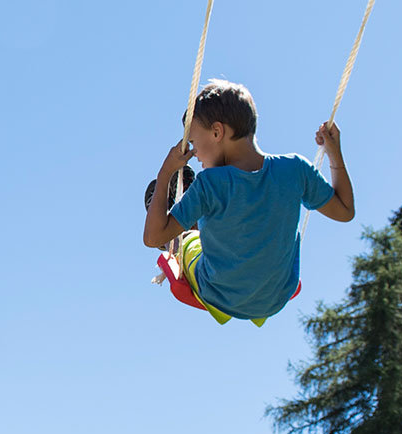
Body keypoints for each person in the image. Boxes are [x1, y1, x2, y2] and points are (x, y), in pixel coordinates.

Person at [142, 79, 355, 325]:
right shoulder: (295, 170)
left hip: (216, 295)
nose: (194, 154)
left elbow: (151, 238)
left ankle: (184, 228)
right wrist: (334, 152)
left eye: (193, 142)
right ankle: (192, 219)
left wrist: (166, 172)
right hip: (273, 297)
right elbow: (345, 210)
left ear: (217, 132)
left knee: (190, 240)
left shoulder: (210, 183)